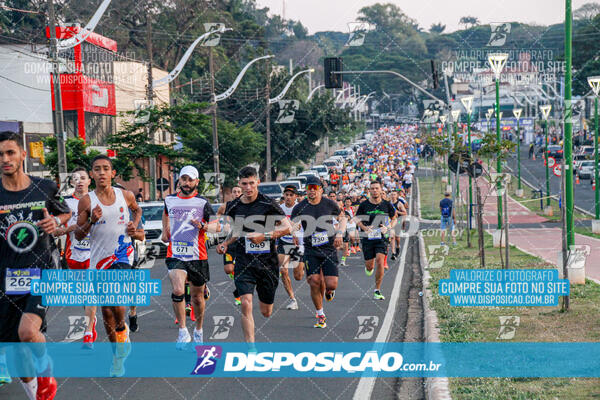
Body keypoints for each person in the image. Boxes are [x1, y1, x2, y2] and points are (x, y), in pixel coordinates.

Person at [0, 131, 71, 400]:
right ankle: (37, 395)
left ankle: (46, 368)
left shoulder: (44, 187)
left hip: (41, 271)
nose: (5, 159)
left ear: (23, 154)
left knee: (28, 332)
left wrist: (57, 223)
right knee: (16, 351)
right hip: (5, 277)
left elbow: (64, 211)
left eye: (10, 152)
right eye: (0, 155)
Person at [75, 155, 144, 377]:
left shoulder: (126, 195)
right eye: (97, 169)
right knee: (106, 313)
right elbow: (78, 234)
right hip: (98, 261)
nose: (102, 172)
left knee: (115, 299)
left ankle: (122, 328)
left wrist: (135, 226)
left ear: (113, 173)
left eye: (106, 168)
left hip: (122, 255)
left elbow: (137, 209)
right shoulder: (86, 201)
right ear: (92, 174)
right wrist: (91, 222)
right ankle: (117, 356)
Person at [216, 167, 291, 347]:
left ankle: (264, 297)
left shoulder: (269, 204)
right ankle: (251, 348)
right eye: (244, 184)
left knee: (266, 311)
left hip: (267, 263)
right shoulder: (234, 206)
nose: (248, 187)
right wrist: (226, 243)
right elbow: (236, 230)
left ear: (257, 182)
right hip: (244, 262)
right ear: (239, 184)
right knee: (246, 304)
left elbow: (288, 228)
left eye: (251, 183)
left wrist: (263, 236)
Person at [162, 166, 220, 349]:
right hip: (175, 253)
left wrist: (202, 226)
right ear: (179, 180)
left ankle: (199, 330)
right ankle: (182, 331)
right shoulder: (169, 200)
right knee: (178, 290)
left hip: (197, 255)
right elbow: (166, 214)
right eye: (183, 179)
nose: (186, 183)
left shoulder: (202, 203)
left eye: (190, 180)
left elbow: (217, 227)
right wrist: (166, 230)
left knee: (197, 298)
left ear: (197, 182)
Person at [291, 175, 346, 328]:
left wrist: (340, 233)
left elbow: (342, 218)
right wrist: (294, 233)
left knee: (331, 284)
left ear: (321, 190)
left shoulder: (329, 204)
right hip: (310, 250)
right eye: (309, 188)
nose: (312, 191)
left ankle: (329, 292)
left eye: (315, 188)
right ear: (306, 190)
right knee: (314, 281)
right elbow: (292, 223)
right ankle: (320, 314)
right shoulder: (300, 207)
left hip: (328, 248)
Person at [53, 167, 98, 349]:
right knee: (83, 296)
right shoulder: (66, 204)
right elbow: (55, 231)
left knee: (91, 294)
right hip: (74, 256)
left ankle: (87, 332)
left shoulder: (97, 201)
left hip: (94, 255)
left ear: (89, 181)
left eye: (83, 178)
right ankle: (91, 320)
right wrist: (68, 229)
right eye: (75, 178)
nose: (79, 181)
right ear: (71, 182)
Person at [356, 181, 397, 300]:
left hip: (382, 237)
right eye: (372, 188)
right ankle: (369, 267)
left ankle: (377, 290)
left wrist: (388, 227)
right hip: (368, 237)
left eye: (376, 188)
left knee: (380, 260)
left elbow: (394, 218)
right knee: (370, 267)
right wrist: (364, 228)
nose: (374, 190)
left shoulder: (387, 204)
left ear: (380, 190)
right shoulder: (364, 205)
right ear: (369, 190)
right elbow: (357, 219)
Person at [277, 185, 301, 310]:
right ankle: (293, 299)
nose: (288, 197)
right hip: (283, 242)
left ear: (295, 196)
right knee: (283, 271)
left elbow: (300, 226)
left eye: (291, 195)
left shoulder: (300, 208)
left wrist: (290, 227)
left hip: (298, 244)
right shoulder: (279, 209)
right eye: (286, 195)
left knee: (298, 276)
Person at [217, 185, 242, 305]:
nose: (236, 193)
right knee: (228, 269)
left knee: (243, 269)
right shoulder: (225, 206)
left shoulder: (246, 206)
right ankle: (239, 285)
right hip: (229, 242)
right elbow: (216, 217)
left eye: (238, 192)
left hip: (243, 242)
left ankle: (240, 290)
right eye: (234, 192)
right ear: (231, 194)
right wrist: (221, 225)